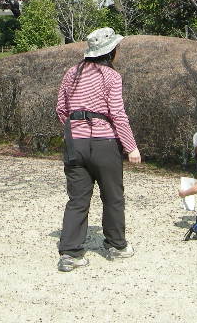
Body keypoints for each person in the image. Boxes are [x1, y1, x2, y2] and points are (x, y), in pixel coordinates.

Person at [55, 27, 141, 273]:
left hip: (75, 142)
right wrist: (131, 147)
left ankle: (71, 253)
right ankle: (116, 245)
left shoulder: (71, 73)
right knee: (113, 197)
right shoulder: (111, 77)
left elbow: (61, 109)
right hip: (104, 142)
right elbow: (117, 114)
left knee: (77, 199)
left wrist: (74, 130)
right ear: (111, 51)